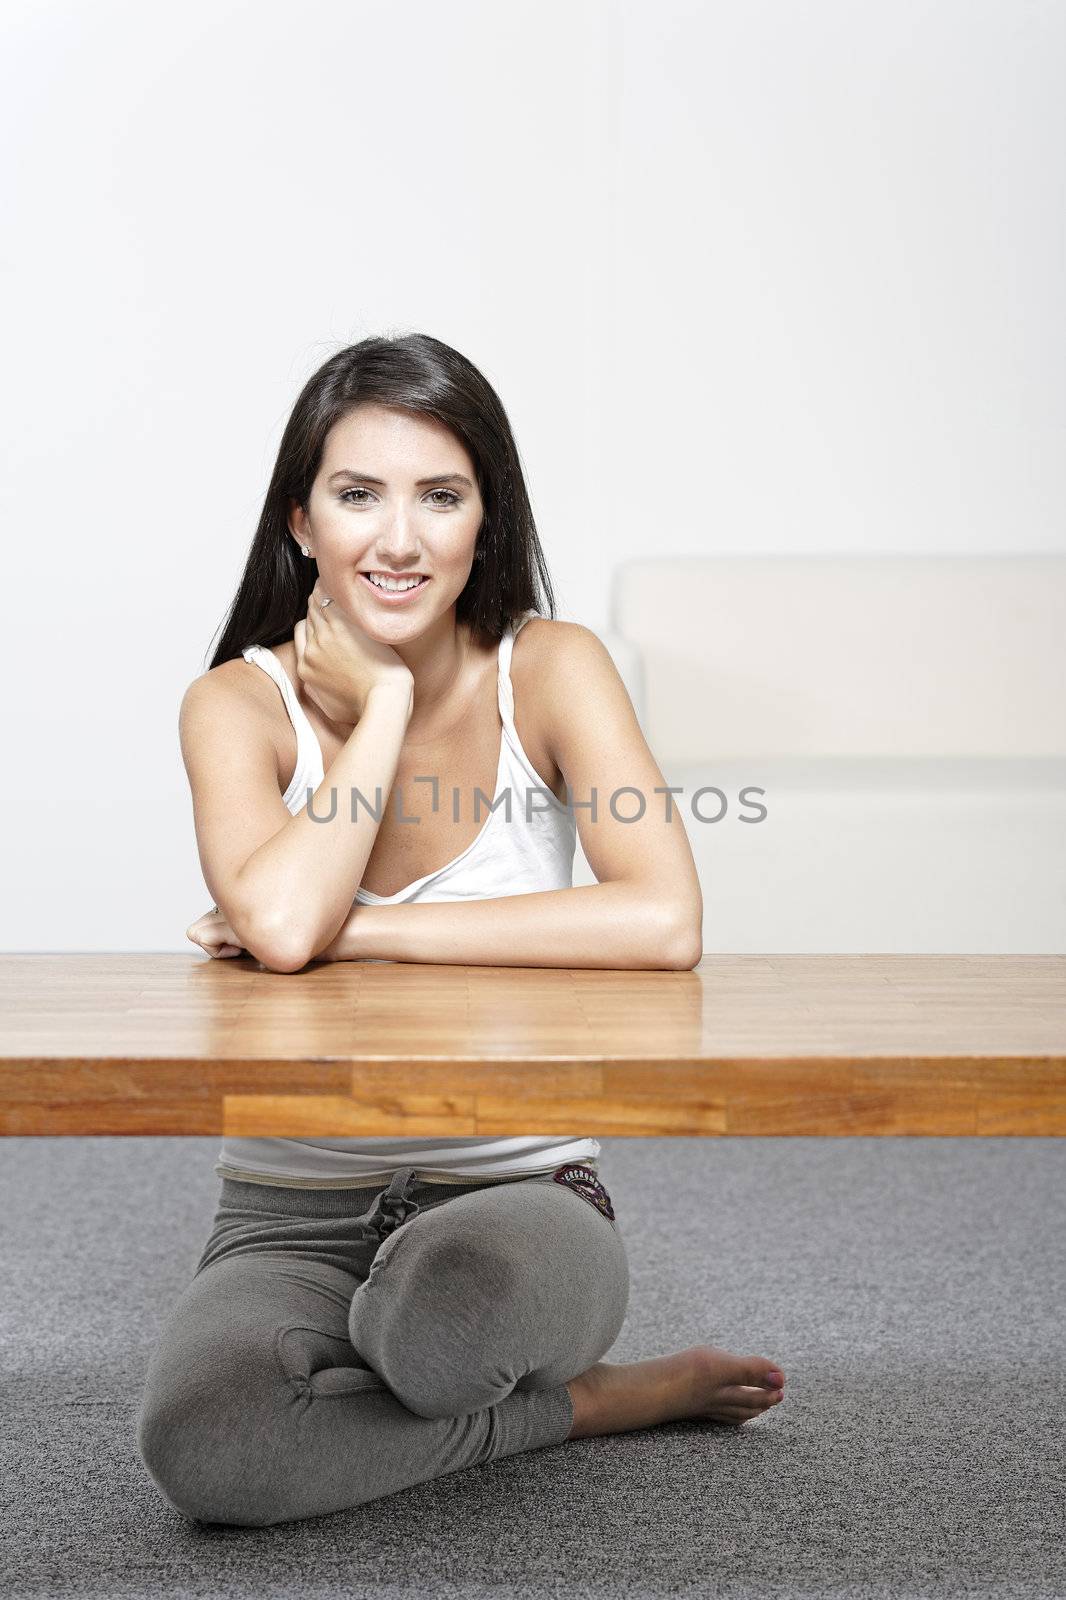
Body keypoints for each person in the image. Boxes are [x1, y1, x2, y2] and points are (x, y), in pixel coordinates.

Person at [137, 332, 787, 1528]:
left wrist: (369, 934)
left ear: (486, 517)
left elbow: (662, 916)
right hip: (287, 1206)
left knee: (437, 1328)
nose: (398, 538)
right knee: (206, 1453)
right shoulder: (237, 702)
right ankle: (594, 1403)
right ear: (300, 523)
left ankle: (411, 1370)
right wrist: (380, 704)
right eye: (357, 495)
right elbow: (281, 926)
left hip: (521, 1186)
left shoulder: (550, 667)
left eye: (440, 495)